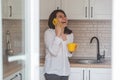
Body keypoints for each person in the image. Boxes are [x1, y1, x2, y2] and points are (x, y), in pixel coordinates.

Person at [44, 9, 74, 80]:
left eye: (65, 16)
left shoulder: (70, 34)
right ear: (54, 20)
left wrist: (71, 51)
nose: (64, 18)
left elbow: (68, 55)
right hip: (52, 72)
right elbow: (53, 52)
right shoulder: (49, 33)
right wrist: (57, 35)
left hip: (65, 72)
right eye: (60, 16)